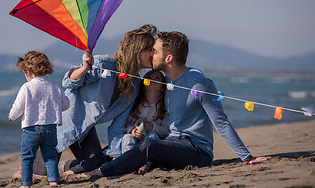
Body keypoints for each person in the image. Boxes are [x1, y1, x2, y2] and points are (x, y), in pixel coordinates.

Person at [73, 31, 254, 177]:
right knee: (116, 148)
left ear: (168, 58)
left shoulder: (199, 84)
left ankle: (101, 172)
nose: (152, 54)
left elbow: (221, 122)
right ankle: (72, 169)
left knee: (149, 146)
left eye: (155, 51)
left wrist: (247, 157)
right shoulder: (165, 83)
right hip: (171, 143)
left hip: (197, 149)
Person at [31, 24, 156, 176]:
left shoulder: (135, 85)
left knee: (99, 164)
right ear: (137, 50)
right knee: (37, 175)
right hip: (60, 124)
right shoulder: (102, 64)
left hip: (85, 130)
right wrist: (84, 68)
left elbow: (117, 126)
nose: (153, 54)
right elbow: (68, 82)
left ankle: (65, 166)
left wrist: (117, 155)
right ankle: (27, 169)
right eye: (150, 50)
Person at [60, 69, 168, 177]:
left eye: (157, 78)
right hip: (131, 142)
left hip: (149, 143)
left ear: (163, 87)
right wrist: (131, 130)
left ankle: (144, 166)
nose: (152, 80)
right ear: (144, 83)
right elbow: (125, 123)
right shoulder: (136, 104)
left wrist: (153, 127)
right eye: (149, 78)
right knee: (125, 139)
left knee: (152, 136)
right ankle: (127, 164)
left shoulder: (163, 108)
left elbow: (165, 130)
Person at [8, 51, 70, 187]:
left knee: (27, 157)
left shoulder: (27, 87)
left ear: (29, 71)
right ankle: (53, 181)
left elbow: (18, 106)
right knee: (50, 157)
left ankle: (26, 184)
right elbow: (65, 104)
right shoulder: (54, 86)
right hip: (50, 129)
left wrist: (12, 116)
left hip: (31, 129)